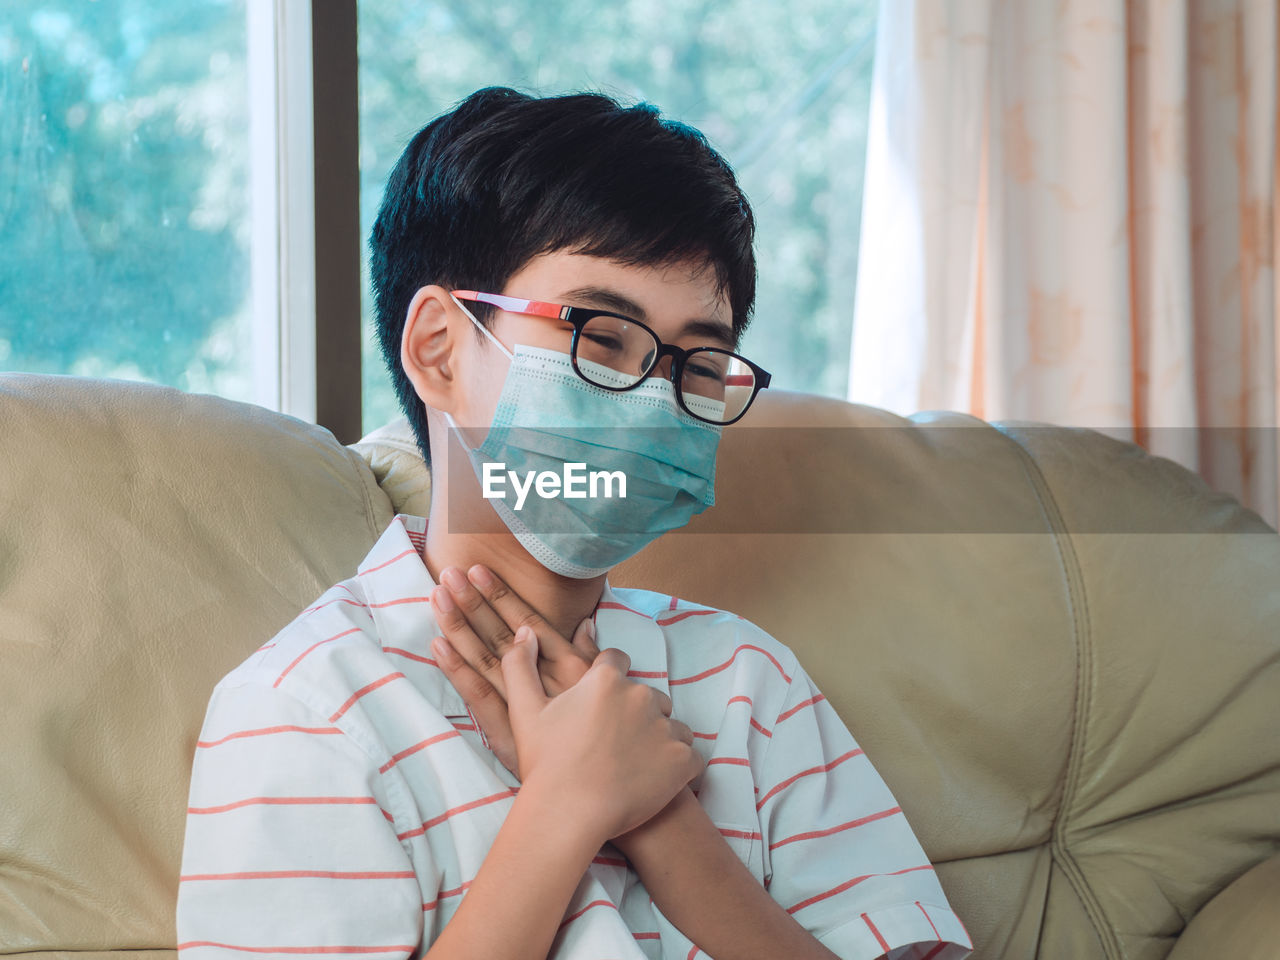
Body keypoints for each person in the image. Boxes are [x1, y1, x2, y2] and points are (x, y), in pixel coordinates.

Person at [176, 86, 972, 960]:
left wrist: (668, 832)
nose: (656, 400)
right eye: (600, 336)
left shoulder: (751, 683)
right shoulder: (307, 710)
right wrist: (566, 808)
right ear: (440, 348)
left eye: (697, 362)